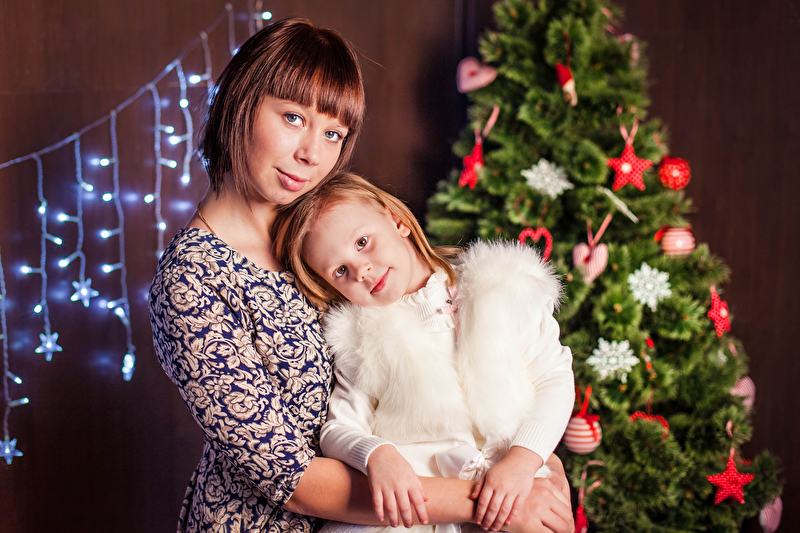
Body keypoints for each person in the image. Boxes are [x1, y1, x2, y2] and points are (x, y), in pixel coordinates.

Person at [149, 17, 573, 533]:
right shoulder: (192, 280)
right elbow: (292, 481)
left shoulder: (322, 229)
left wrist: (532, 463)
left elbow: (473, 365)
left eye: (332, 133)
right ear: (240, 103)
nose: (311, 154)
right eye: (292, 118)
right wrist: (499, 503)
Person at [272, 172, 575, 533]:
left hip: (514, 485)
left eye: (363, 242)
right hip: (419, 510)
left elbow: (554, 378)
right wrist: (376, 454)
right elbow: (339, 428)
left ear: (397, 221)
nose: (362, 271)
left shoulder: (500, 287)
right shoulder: (361, 337)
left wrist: (523, 461)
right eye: (340, 271)